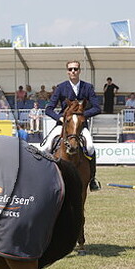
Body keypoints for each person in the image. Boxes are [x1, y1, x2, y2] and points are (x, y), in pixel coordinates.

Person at [41, 60, 102, 191]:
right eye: (70, 69)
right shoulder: (61, 87)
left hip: (80, 125)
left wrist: (81, 116)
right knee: (46, 147)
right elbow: (49, 109)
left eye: (75, 69)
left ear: (79, 71)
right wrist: (60, 118)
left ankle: (92, 179)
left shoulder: (88, 87)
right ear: (67, 72)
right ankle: (43, 177)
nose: (73, 71)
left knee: (90, 146)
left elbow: (97, 108)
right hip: (63, 124)